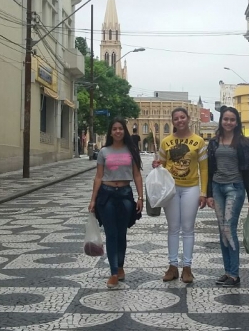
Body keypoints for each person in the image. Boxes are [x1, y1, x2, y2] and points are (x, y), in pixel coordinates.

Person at [153, 107, 209, 283]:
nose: (180, 120)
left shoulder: (199, 141)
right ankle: (172, 266)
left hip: (190, 188)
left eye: (182, 117)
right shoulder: (166, 142)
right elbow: (162, 166)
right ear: (173, 121)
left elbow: (204, 169)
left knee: (188, 228)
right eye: (176, 118)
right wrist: (157, 165)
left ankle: (187, 267)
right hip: (171, 189)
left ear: (188, 118)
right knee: (173, 228)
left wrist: (203, 192)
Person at [89, 118, 144, 289]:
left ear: (124, 131)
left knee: (121, 234)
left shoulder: (131, 150)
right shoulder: (104, 152)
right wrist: (93, 199)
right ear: (111, 132)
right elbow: (98, 176)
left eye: (120, 128)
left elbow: (137, 175)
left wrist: (141, 197)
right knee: (111, 234)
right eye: (114, 129)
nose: (118, 131)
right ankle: (113, 272)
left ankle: (120, 266)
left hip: (125, 195)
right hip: (106, 195)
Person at [206, 107, 249, 287]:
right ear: (221, 121)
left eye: (232, 119)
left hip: (235, 188)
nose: (228, 122)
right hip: (217, 187)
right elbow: (210, 169)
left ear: (237, 122)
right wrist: (209, 194)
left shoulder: (242, 142)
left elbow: (247, 171)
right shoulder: (214, 142)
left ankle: (234, 274)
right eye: (225, 119)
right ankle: (227, 272)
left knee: (229, 229)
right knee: (222, 230)